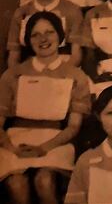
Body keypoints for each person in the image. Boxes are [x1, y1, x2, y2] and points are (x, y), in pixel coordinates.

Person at [0, 12, 91, 203]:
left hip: (56, 141)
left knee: (44, 181)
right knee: (16, 184)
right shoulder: (13, 75)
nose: (43, 39)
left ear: (60, 35)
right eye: (35, 34)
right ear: (28, 40)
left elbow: (74, 126)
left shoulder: (76, 76)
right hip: (15, 141)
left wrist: (44, 147)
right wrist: (12, 148)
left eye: (49, 32)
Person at [7, 0, 83, 69]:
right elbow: (13, 56)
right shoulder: (21, 13)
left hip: (64, 68)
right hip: (30, 70)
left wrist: (58, 73)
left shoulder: (73, 10)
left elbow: (76, 56)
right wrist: (17, 75)